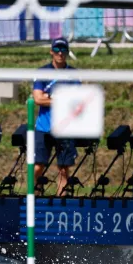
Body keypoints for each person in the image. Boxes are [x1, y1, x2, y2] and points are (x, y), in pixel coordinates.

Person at [32, 38, 79, 196]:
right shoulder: (43, 72)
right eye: (57, 50)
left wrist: (50, 97)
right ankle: (35, 195)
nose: (60, 53)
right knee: (38, 166)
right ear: (51, 51)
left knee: (63, 168)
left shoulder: (72, 74)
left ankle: (61, 201)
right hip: (43, 127)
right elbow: (38, 99)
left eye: (63, 50)